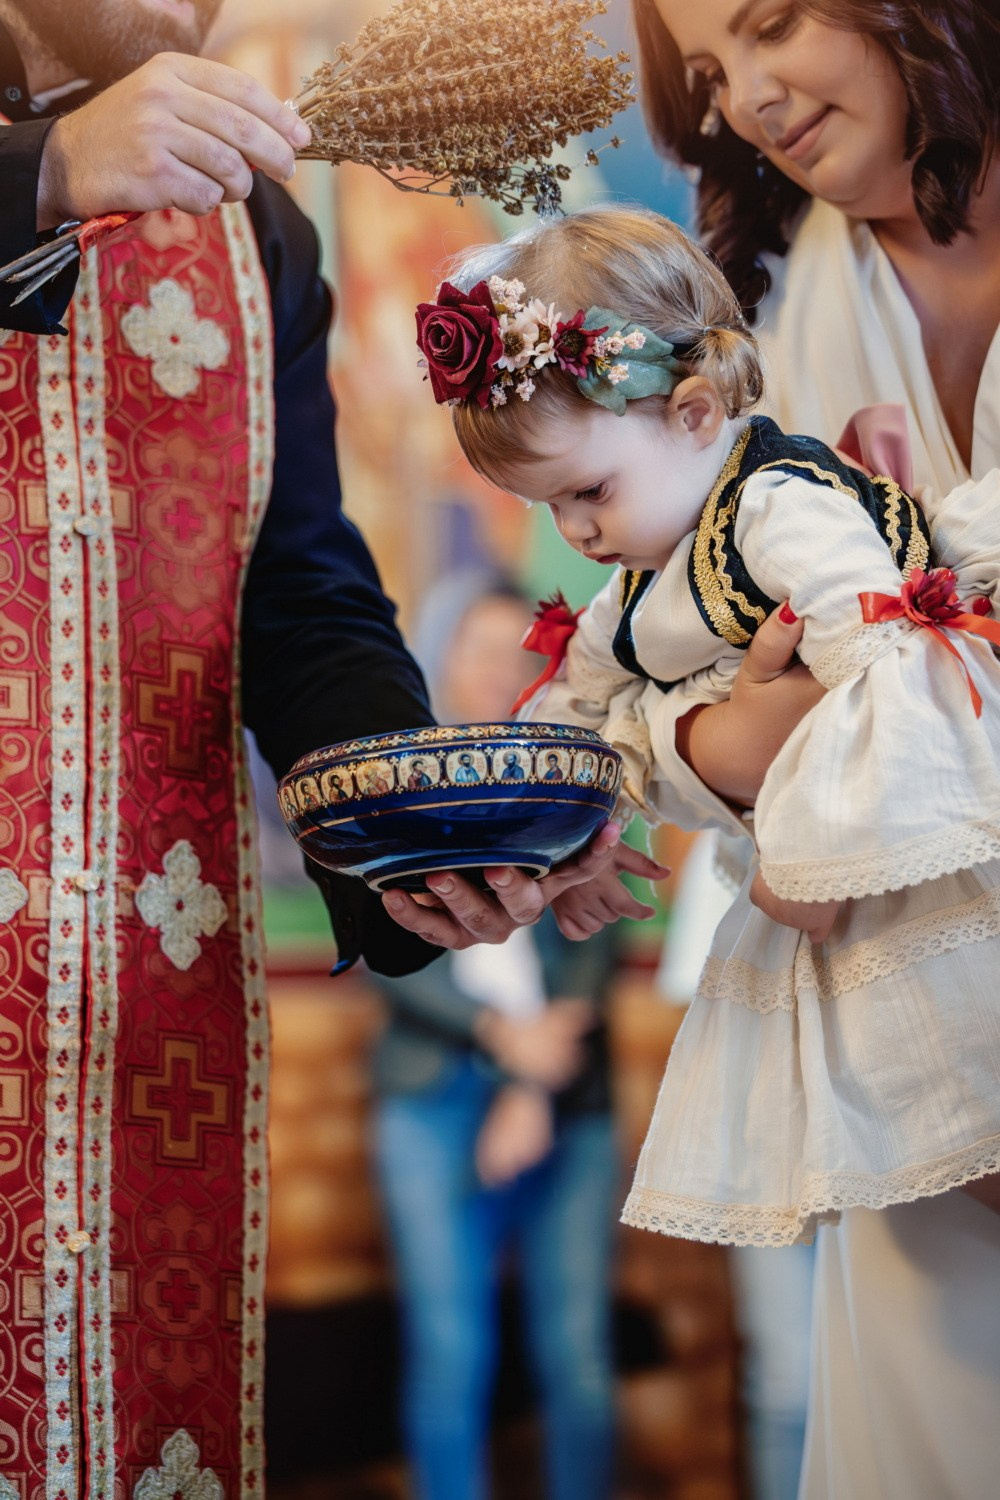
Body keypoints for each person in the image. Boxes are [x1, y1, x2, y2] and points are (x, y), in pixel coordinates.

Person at [0, 5, 666, 1491]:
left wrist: (424, 839)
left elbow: (300, 598)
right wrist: (42, 173)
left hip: (136, 1019)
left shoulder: (257, 232)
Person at [415, 203, 1000, 1493]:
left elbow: (883, 660)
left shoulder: (779, 505)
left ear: (690, 413)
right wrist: (553, 852)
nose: (576, 534)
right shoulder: (637, 581)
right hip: (828, 909)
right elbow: (572, 724)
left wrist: (804, 845)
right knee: (923, 1202)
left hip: (930, 859)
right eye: (549, 507)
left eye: (587, 492)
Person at [627, 5, 1000, 1496]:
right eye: (710, 75)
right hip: (916, 1049)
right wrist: (728, 749)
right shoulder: (768, 314)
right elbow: (666, 665)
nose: (752, 100)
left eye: (771, 24)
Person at [370, 573, 621, 1500]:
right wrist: (500, 1040)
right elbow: (389, 951)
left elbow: (596, 937)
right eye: (475, 650)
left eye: (514, 655)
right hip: (433, 1089)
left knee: (578, 1350)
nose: (494, 672)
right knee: (450, 1350)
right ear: (440, 660)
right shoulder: (392, 791)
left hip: (567, 1089)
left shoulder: (577, 780)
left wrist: (531, 1080)